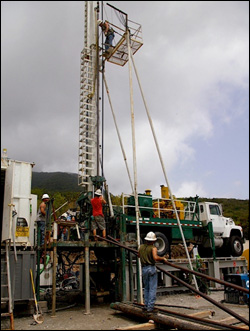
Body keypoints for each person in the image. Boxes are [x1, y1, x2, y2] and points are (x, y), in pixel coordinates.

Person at [138, 231, 168, 313]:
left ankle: (146, 305)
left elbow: (138, 255)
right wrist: (162, 258)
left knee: (146, 288)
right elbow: (155, 257)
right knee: (152, 289)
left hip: (144, 268)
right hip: (151, 268)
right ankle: (150, 308)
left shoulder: (141, 247)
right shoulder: (153, 248)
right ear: (153, 241)